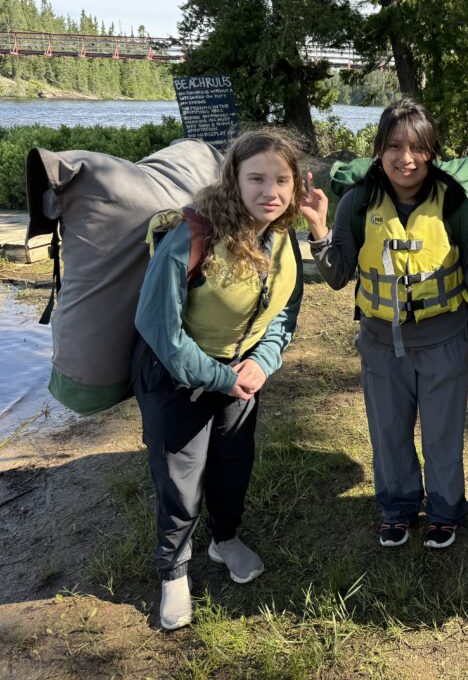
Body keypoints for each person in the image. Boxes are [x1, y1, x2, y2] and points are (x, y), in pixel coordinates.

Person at [133, 129, 305, 631]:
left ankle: (224, 539)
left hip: (240, 375)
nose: (269, 191)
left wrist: (263, 361)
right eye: (256, 178)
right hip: (176, 378)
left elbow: (284, 311)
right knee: (180, 479)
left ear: (294, 186)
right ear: (233, 179)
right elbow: (161, 332)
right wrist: (220, 378)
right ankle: (174, 570)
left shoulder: (281, 235)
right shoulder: (192, 238)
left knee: (232, 464)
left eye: (281, 179)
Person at [302, 99, 468, 551]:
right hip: (380, 344)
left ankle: (445, 512)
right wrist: (319, 229)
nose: (405, 158)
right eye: (394, 146)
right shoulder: (358, 202)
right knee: (388, 435)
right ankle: (398, 509)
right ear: (379, 150)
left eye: (417, 147)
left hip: (443, 340)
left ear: (431, 150)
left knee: (443, 436)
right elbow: (339, 273)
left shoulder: (454, 202)